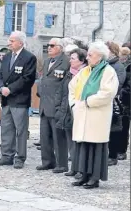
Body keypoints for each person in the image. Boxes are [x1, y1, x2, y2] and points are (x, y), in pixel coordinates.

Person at [68, 41, 119, 189]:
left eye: (90, 55)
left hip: (97, 114)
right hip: (82, 112)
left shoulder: (107, 71)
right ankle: (83, 174)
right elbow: (72, 86)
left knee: (94, 147)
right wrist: (74, 104)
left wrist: (89, 101)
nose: (87, 57)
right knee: (82, 145)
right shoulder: (85, 71)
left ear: (100, 56)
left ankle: (94, 177)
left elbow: (108, 93)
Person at [0, 31, 37, 169]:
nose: (9, 43)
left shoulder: (29, 58)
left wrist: (10, 89)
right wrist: (1, 88)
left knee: (20, 130)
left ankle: (20, 157)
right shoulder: (6, 57)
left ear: (20, 42)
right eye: (9, 40)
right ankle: (6, 155)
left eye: (12, 41)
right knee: (6, 129)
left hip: (19, 99)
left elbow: (27, 78)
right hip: (6, 99)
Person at [36, 38, 71, 172]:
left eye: (52, 45)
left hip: (56, 104)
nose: (49, 47)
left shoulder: (66, 62)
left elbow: (64, 84)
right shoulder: (46, 62)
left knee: (58, 137)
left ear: (60, 48)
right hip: (44, 104)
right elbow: (43, 79)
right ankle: (47, 161)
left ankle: (61, 164)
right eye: (48, 45)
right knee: (45, 136)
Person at [57, 48, 87, 177]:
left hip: (79, 110)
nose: (70, 60)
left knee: (80, 142)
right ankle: (74, 167)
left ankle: (82, 169)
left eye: (73, 58)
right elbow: (63, 93)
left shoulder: (85, 74)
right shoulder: (69, 74)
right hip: (67, 110)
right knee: (71, 141)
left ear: (81, 61)